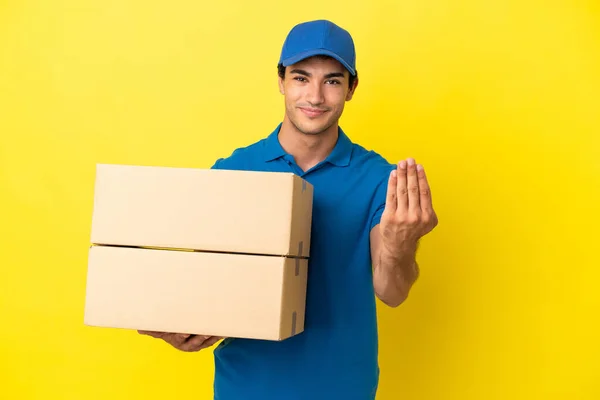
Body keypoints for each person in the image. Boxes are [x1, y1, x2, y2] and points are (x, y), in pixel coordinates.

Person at [139, 19, 438, 399]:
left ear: (351, 89)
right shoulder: (233, 171)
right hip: (247, 386)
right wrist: (180, 326)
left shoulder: (382, 179)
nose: (314, 96)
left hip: (343, 387)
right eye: (301, 78)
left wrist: (400, 240)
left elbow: (391, 292)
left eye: (331, 81)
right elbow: (208, 287)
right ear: (281, 81)